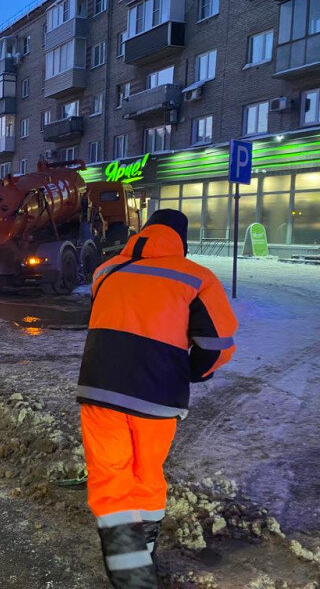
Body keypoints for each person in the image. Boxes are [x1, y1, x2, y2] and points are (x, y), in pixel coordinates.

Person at [77, 209, 237, 588]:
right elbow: (219, 344)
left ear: (141, 232)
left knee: (112, 481)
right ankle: (138, 565)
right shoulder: (196, 278)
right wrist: (191, 371)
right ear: (182, 240)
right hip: (158, 399)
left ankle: (133, 571)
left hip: (99, 390)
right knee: (147, 475)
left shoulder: (106, 270)